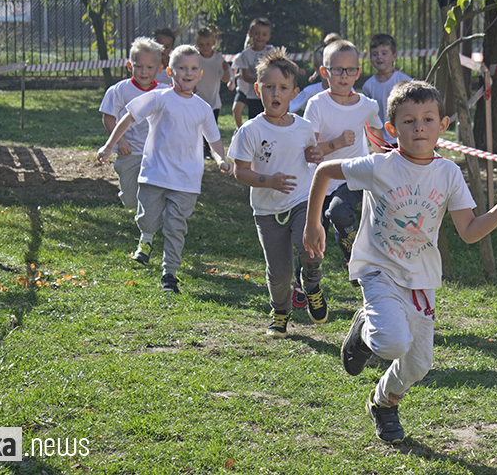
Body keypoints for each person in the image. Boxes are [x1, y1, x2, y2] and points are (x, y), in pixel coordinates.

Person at [303, 80, 497, 444]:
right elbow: (324, 172)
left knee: (419, 363)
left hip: (421, 278)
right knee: (391, 342)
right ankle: (366, 331)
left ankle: (383, 402)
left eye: (427, 119)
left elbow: (469, 231)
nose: (419, 127)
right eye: (408, 121)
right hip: (378, 269)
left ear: (443, 126)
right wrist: (313, 223)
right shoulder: (379, 166)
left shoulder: (448, 173)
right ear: (392, 128)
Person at [97, 45, 233, 294]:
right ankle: (146, 237)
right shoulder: (159, 98)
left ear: (200, 74)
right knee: (148, 221)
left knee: (175, 226)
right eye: (182, 68)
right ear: (170, 71)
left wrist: (220, 159)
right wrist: (109, 146)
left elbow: (213, 140)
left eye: (193, 68)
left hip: (187, 180)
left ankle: (169, 274)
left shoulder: (203, 108)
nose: (188, 73)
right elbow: (128, 117)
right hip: (154, 175)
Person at [227, 47, 328, 337]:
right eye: (269, 87)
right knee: (279, 272)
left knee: (309, 245)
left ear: (293, 93)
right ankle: (280, 311)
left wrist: (314, 155)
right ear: (258, 89)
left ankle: (311, 284)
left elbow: (310, 153)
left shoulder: (304, 127)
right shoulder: (249, 130)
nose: (276, 93)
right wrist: (268, 180)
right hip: (267, 210)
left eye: (283, 88)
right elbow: (240, 171)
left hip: (301, 199)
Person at [303, 39, 381, 271]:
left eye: (350, 70)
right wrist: (336, 144)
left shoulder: (367, 105)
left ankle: (353, 257)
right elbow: (310, 152)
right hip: (320, 179)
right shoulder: (316, 104)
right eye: (337, 70)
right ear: (324, 72)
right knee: (313, 235)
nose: (344, 76)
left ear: (358, 73)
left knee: (339, 211)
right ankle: (306, 282)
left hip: (353, 175)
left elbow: (378, 138)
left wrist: (384, 167)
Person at [99, 36, 164, 210]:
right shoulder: (119, 90)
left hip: (156, 155)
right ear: (129, 66)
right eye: (138, 66)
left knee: (153, 194)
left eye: (149, 67)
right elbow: (108, 118)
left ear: (159, 68)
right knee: (131, 201)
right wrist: (120, 141)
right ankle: (133, 202)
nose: (144, 72)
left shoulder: (164, 92)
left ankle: (152, 217)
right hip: (129, 153)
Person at [362, 33, 412, 146]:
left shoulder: (405, 81)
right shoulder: (368, 86)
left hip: (402, 138)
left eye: (384, 53)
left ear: (394, 56)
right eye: (375, 54)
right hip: (380, 140)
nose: (379, 57)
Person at [194, 26, 230, 158]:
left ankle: (210, 150)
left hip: (213, 101)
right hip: (197, 98)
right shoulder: (195, 57)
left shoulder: (218, 58)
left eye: (208, 44)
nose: (204, 47)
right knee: (197, 126)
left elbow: (225, 79)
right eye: (201, 44)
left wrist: (226, 70)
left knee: (211, 127)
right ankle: (200, 150)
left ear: (213, 43)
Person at [288, 33, 341, 115]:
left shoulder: (347, 90)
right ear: (318, 70)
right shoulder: (310, 92)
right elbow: (289, 107)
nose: (328, 72)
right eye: (324, 68)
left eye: (333, 67)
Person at [233, 18, 274, 122]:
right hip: (253, 95)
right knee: (255, 121)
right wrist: (261, 83)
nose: (260, 37)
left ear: (269, 36)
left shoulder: (271, 51)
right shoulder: (245, 54)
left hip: (270, 94)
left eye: (264, 34)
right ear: (250, 34)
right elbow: (246, 76)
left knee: (270, 120)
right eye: (256, 33)